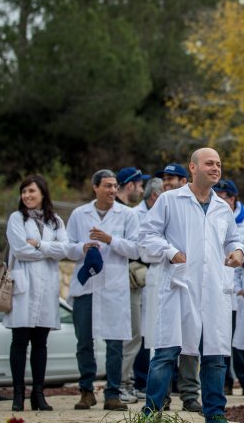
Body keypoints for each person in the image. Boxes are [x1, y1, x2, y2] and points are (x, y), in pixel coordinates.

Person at [139, 148, 244, 423]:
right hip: (179, 286)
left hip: (213, 289)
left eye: (219, 164)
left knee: (215, 354)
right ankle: (151, 413)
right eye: (209, 163)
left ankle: (215, 413)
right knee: (166, 351)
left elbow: (233, 240)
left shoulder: (223, 207)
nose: (216, 168)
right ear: (193, 167)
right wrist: (169, 251)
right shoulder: (170, 200)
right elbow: (147, 235)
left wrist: (238, 253)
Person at [66, 169, 140, 411]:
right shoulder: (79, 214)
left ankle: (112, 393)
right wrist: (83, 248)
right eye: (107, 186)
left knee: (115, 344)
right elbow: (67, 248)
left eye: (115, 186)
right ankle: (86, 391)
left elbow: (136, 250)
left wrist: (110, 240)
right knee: (84, 342)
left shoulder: (127, 215)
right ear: (95, 187)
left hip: (114, 288)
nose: (112, 190)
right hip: (87, 287)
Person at [4, 175, 68, 411]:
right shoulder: (16, 218)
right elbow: (20, 250)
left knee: (41, 343)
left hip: (46, 287)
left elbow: (65, 249)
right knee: (19, 342)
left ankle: (38, 394)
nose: (27, 196)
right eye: (24, 192)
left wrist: (40, 245)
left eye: (31, 191)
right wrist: (49, 250)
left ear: (42, 193)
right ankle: (18, 394)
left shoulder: (56, 221)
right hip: (23, 286)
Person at [149, 162, 202, 411]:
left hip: (197, 284)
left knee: (191, 345)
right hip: (170, 282)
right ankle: (159, 400)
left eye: (172, 178)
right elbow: (147, 237)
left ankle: (190, 395)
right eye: (164, 178)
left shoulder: (203, 204)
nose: (166, 182)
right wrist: (171, 252)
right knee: (166, 345)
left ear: (185, 180)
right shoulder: (165, 201)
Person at [120, 176, 163, 404]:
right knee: (134, 335)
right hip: (136, 281)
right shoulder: (135, 214)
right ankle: (128, 382)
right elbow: (139, 247)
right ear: (155, 195)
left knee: (147, 336)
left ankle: (139, 383)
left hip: (152, 280)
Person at [214, 178, 244, 395]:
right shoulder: (210, 217)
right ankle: (225, 382)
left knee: (241, 341)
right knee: (221, 337)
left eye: (223, 198)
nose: (218, 202)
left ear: (232, 198)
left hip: (241, 289)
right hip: (217, 285)